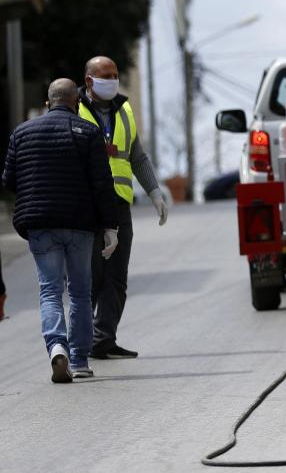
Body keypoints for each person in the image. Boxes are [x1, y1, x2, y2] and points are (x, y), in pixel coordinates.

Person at [2, 78, 120, 382]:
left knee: (50, 290)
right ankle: (79, 360)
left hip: (40, 224)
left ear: (47, 102)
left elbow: (9, 180)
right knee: (80, 292)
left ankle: (57, 347)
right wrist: (111, 226)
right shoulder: (89, 132)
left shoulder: (22, 132)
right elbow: (102, 184)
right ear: (76, 103)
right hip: (79, 224)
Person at [79, 56, 168, 359]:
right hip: (85, 206)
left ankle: (104, 338)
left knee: (116, 276)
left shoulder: (125, 109)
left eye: (116, 75)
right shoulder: (73, 109)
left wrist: (155, 192)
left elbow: (137, 156)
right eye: (106, 75)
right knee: (89, 276)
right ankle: (80, 341)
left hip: (118, 205)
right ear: (89, 81)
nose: (113, 80)